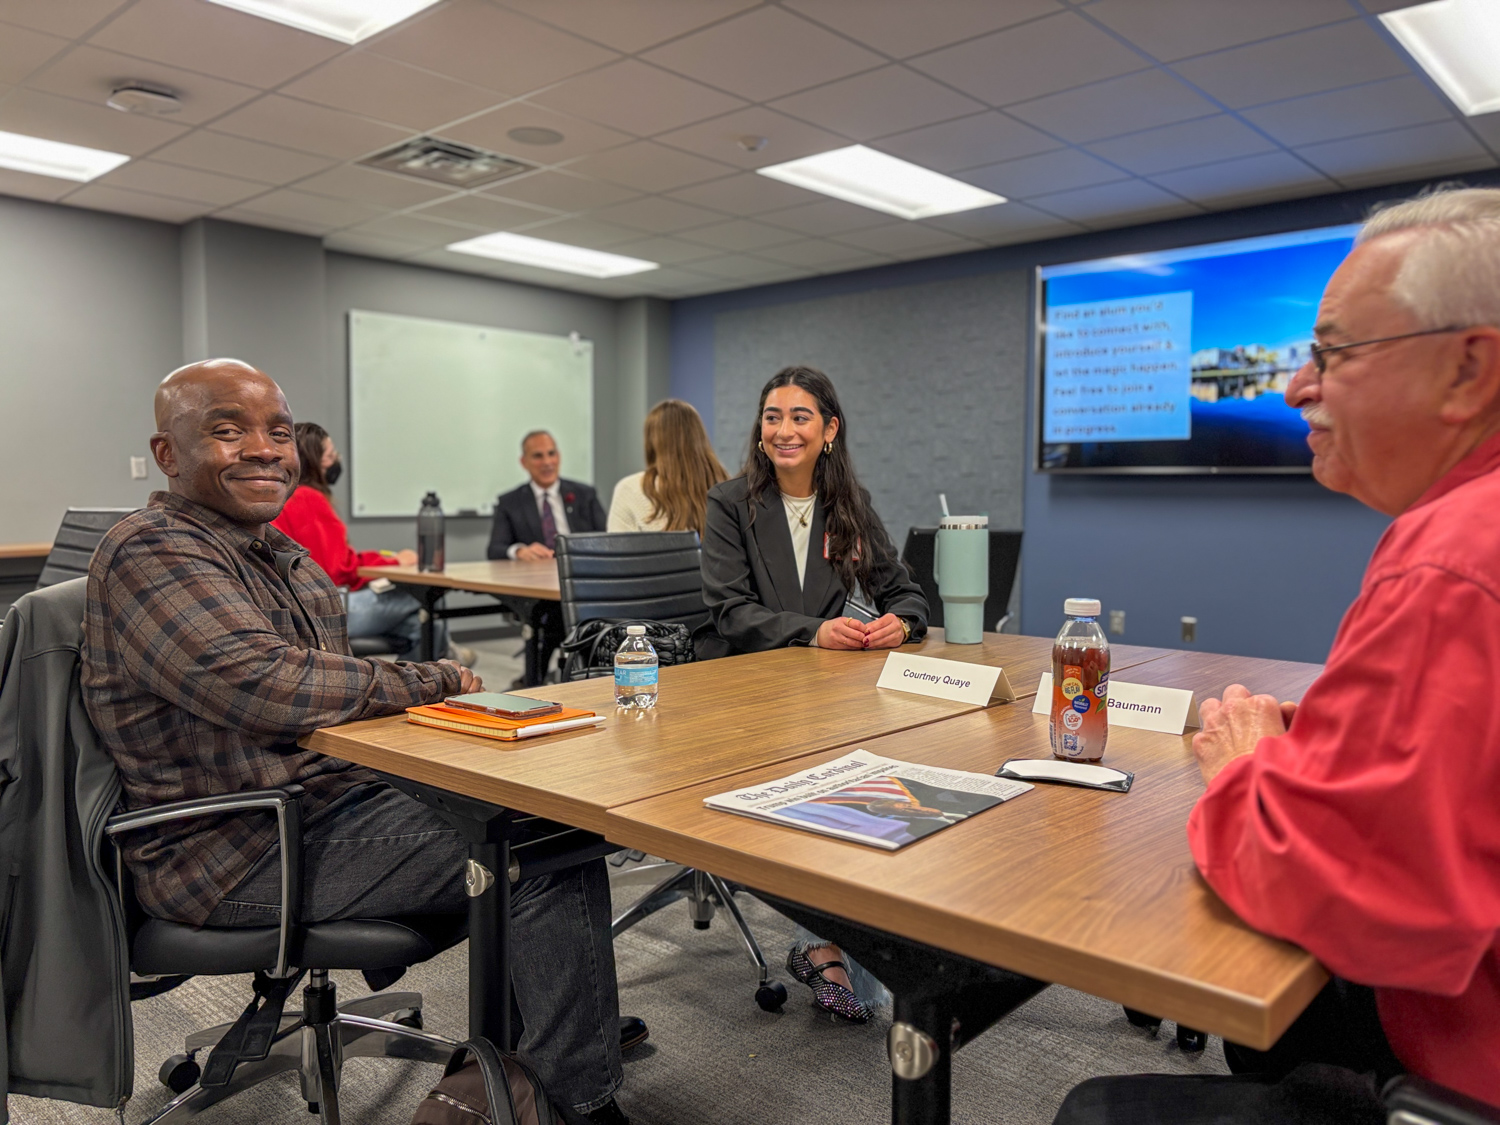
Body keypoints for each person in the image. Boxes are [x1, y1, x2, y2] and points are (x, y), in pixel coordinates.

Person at [82, 360, 637, 1125]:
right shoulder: (152, 547)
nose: (264, 448)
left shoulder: (274, 553)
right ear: (167, 453)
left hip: (325, 801)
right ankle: (573, 1096)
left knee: (534, 800)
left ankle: (535, 1059)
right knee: (534, 844)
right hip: (235, 845)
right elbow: (267, 683)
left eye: (279, 432)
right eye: (228, 430)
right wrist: (434, 679)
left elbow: (333, 693)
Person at [1053, 187, 1500, 1125]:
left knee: (1100, 1112)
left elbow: (1342, 891)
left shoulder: (1455, 558)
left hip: (1465, 1070)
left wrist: (1245, 769)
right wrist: (1323, 738)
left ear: (1468, 369)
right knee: (1269, 1030)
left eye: (1332, 354)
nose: (1296, 386)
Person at [698, 364, 929, 1023]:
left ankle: (847, 940)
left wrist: (902, 622)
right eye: (773, 416)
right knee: (840, 780)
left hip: (821, 697)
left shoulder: (849, 504)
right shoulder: (730, 503)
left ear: (829, 430)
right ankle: (824, 942)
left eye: (800, 417)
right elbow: (730, 612)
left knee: (882, 773)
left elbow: (904, 590)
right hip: (742, 693)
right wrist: (814, 631)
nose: (784, 430)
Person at [272, 421, 469, 664]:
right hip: (321, 611)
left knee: (425, 626)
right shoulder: (308, 499)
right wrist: (394, 562)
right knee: (424, 596)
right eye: (331, 455)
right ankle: (445, 658)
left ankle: (419, 674)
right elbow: (337, 570)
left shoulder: (284, 497)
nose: (337, 460)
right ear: (313, 461)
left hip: (297, 608)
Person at [486, 430, 607, 685]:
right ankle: (553, 676)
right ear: (524, 462)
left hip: (583, 580)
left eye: (551, 454)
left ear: (559, 456)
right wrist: (518, 550)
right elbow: (495, 549)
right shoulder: (510, 502)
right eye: (538, 456)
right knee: (556, 612)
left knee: (565, 612)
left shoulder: (584, 494)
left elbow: (606, 538)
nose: (547, 462)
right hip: (539, 586)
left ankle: (539, 678)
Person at [608, 399, 727, 534]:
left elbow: (617, 546)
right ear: (699, 437)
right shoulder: (726, 486)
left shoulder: (630, 489)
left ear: (651, 441)